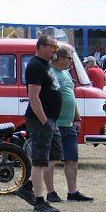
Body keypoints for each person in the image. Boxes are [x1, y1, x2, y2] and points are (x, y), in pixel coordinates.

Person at [14, 35, 63, 212]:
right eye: (53, 47)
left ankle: (27, 186)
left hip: (51, 119)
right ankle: (40, 201)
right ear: (41, 47)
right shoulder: (35, 66)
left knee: (56, 155)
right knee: (40, 160)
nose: (55, 50)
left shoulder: (45, 65)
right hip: (40, 119)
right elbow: (33, 97)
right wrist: (44, 121)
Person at [43, 46, 93, 202]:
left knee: (72, 158)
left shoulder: (66, 73)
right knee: (52, 159)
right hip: (54, 123)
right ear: (59, 57)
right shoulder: (49, 73)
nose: (71, 61)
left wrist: (77, 117)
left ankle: (73, 192)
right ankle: (51, 192)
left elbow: (70, 96)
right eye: (70, 58)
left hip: (68, 124)